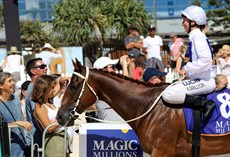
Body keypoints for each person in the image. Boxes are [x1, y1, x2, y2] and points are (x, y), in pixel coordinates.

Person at [162, 6, 216, 119]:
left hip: (205, 81)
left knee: (168, 94)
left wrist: (186, 69)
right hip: (199, 79)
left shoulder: (198, 37)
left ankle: (205, 103)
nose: (182, 24)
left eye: (185, 20)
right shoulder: (195, 37)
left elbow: (206, 61)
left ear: (194, 22)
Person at [31, 75, 70, 157]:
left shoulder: (49, 101)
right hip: (54, 140)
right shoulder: (39, 106)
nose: (54, 90)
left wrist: (63, 81)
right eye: (52, 88)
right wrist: (61, 117)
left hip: (62, 137)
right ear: (44, 89)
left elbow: (59, 85)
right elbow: (49, 128)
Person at [0, 72, 32, 157]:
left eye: (13, 80)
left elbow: (21, 118)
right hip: (6, 148)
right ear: (1, 86)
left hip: (22, 146)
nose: (13, 83)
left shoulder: (16, 99)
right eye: (9, 81)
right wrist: (17, 123)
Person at [25, 58, 48, 148]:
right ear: (33, 71)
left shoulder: (38, 88)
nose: (45, 68)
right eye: (42, 67)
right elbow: (37, 116)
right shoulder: (33, 90)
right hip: (38, 142)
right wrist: (49, 133)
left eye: (45, 66)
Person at [93, 57, 125, 122]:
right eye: (112, 67)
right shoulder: (104, 87)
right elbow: (126, 89)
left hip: (114, 128)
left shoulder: (100, 87)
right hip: (112, 129)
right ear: (104, 69)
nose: (114, 70)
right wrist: (125, 66)